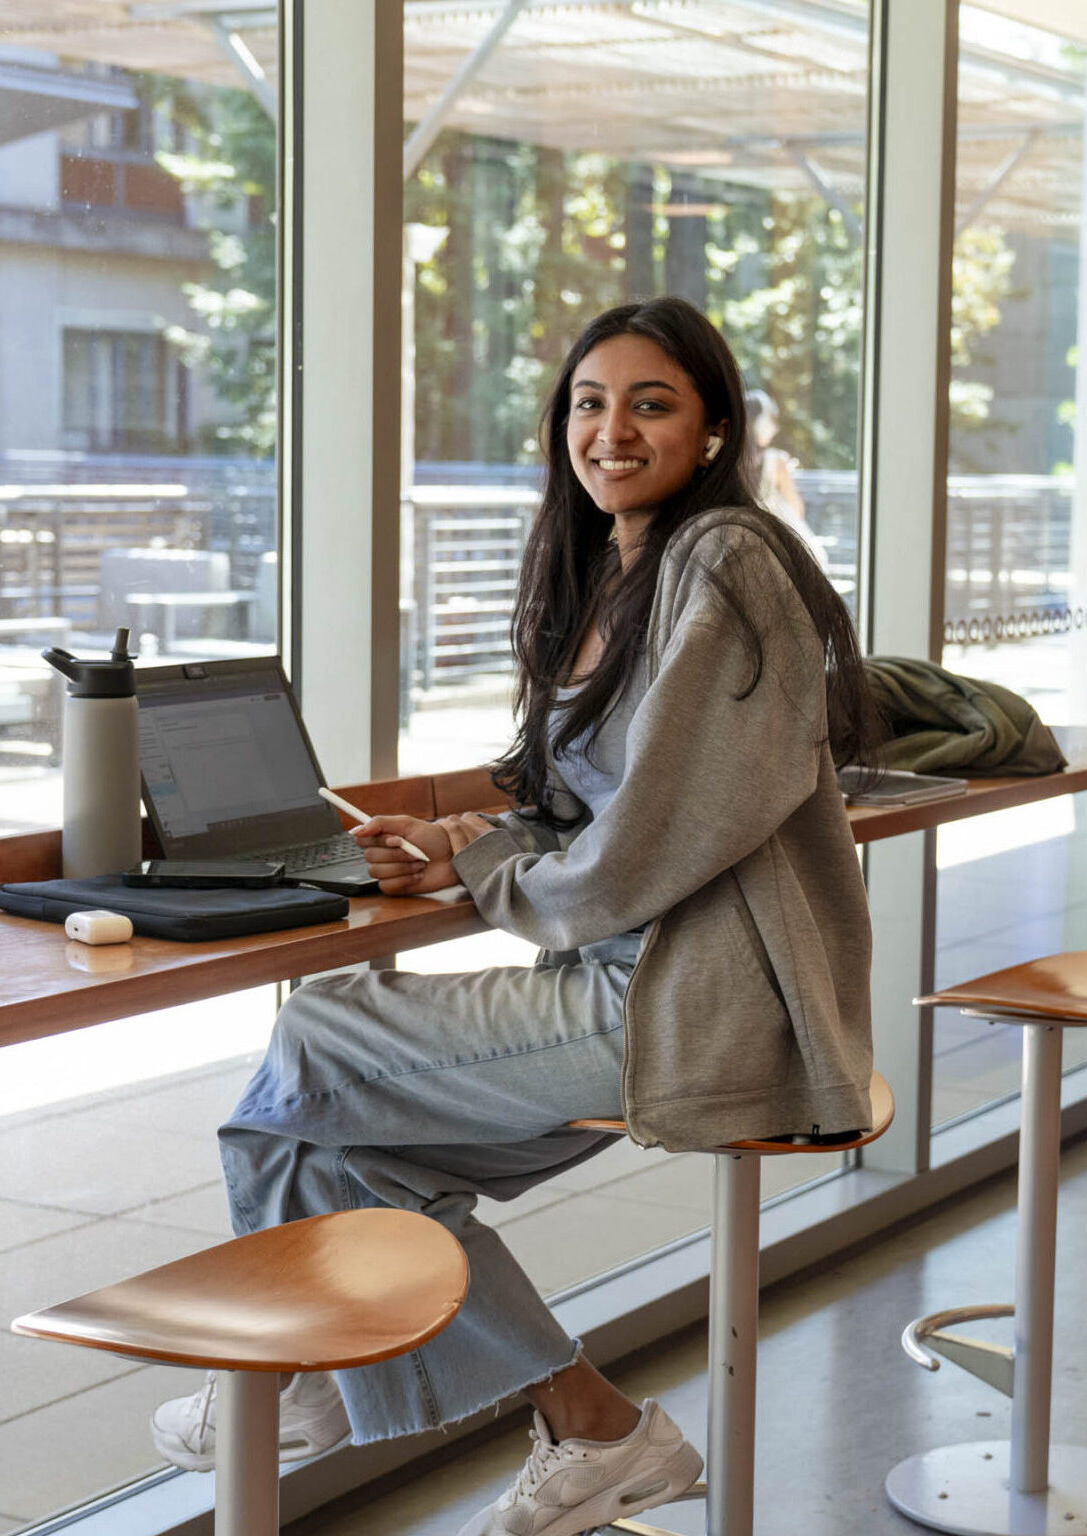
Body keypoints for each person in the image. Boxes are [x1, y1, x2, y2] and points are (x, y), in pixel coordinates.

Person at [150, 296, 879, 1536]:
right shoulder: (618, 570)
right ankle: (592, 1424)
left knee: (318, 1039)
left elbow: (652, 838)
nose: (610, 430)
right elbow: (591, 809)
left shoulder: (726, 560)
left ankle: (302, 1370)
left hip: (698, 995)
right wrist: (457, 842)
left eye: (650, 403)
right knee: (332, 1150)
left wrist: (490, 873)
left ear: (711, 431)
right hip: (635, 966)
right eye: (588, 404)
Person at [743, 387, 820, 565]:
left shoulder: (733, 463)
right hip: (779, 539)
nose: (774, 428)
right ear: (760, 424)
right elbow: (796, 508)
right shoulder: (775, 461)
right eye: (771, 421)